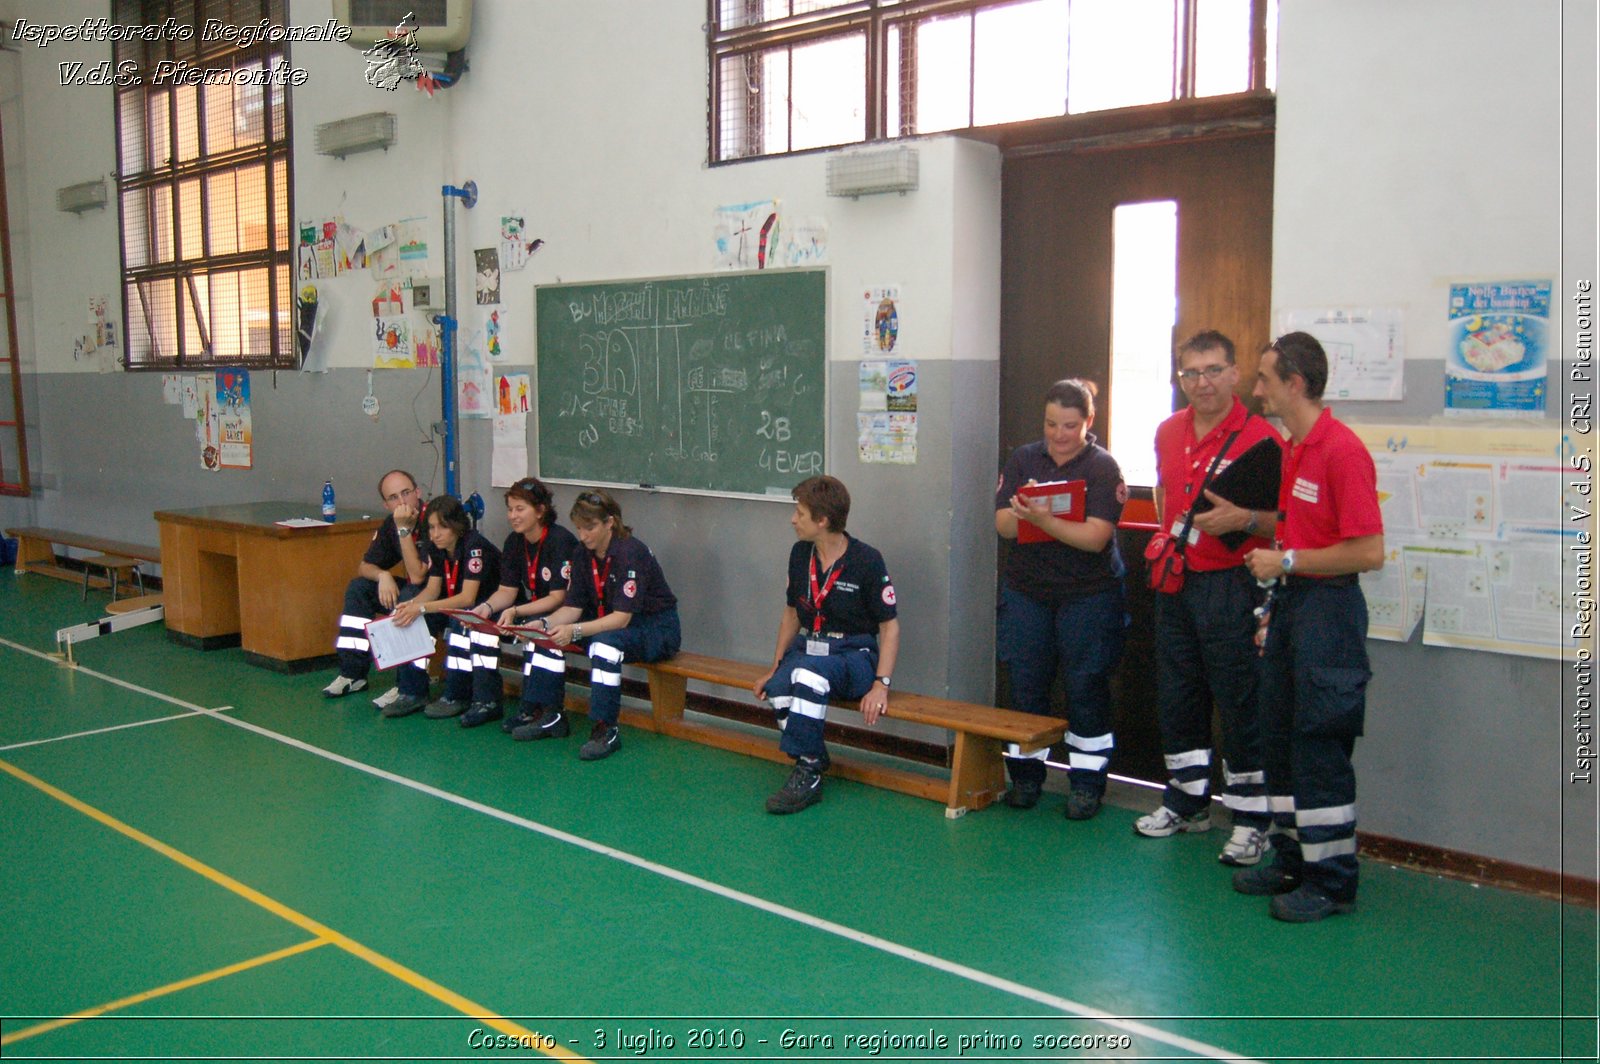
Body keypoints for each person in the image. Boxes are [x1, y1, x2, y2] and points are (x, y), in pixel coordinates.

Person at [1239, 331, 1384, 922]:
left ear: (1294, 384)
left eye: (1265, 380)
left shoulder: (1341, 450)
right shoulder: (1294, 447)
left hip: (1330, 614)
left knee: (1319, 747)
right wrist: (1274, 605)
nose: (1257, 390)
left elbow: (1369, 551)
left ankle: (1332, 882)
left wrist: (1289, 563)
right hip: (1294, 608)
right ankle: (1292, 856)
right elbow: (1295, 534)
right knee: (1278, 738)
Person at [1136, 331, 1281, 866]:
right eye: (1191, 373)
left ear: (1236, 373)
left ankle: (1250, 819)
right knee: (1178, 695)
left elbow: (1285, 521)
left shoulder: (1263, 438)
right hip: (1176, 583)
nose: (1202, 383)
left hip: (1233, 584)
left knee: (1240, 701)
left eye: (1214, 370)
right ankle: (1186, 802)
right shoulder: (1168, 431)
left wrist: (1243, 520)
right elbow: (1162, 493)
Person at [995, 378, 1128, 820]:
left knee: (1086, 686)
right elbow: (1002, 525)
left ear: (1088, 423)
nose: (1058, 434)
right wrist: (1023, 518)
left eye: (1069, 426)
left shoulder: (1102, 468)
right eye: (1051, 424)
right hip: (1027, 593)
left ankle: (1087, 785)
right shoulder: (1023, 458)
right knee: (1026, 683)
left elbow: (1095, 538)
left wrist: (1043, 520)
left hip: (1088, 597)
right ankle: (1026, 777)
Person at [753, 476, 901, 815]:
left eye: (800, 513)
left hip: (854, 657)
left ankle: (807, 773)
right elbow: (792, 613)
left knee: (807, 676)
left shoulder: (867, 560)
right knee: (777, 689)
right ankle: (814, 756)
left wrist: (882, 685)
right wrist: (775, 666)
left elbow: (889, 627)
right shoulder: (799, 554)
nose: (793, 520)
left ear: (822, 521)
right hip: (811, 649)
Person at [538, 490, 681, 761]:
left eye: (590, 528)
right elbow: (572, 607)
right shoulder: (582, 553)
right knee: (547, 635)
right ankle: (550, 713)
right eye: (579, 528)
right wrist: (544, 623)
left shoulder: (631, 552)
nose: (583, 535)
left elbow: (622, 618)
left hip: (655, 628)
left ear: (609, 522)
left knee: (603, 647)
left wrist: (576, 630)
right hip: (610, 624)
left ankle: (606, 728)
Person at [472, 477, 582, 741]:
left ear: (541, 510)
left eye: (520, 509)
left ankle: (540, 710)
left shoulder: (559, 540)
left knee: (537, 634)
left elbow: (558, 597)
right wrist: (485, 607)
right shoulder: (514, 542)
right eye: (510, 509)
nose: (512, 516)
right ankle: (486, 701)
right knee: (482, 628)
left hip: (563, 612)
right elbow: (507, 591)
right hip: (532, 609)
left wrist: (517, 612)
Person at [381, 495, 503, 721]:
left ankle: (457, 694)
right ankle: (412, 691)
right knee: (414, 619)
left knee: (459, 622)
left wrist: (423, 607)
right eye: (431, 527)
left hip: (489, 607)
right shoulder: (436, 546)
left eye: (442, 527)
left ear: (457, 526)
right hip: (458, 605)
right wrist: (412, 606)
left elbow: (467, 597)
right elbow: (433, 589)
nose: (435, 534)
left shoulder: (474, 546)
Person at [322, 469, 429, 704]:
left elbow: (418, 576)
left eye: (406, 493)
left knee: (408, 596)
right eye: (393, 498)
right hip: (413, 591)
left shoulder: (433, 519)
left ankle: (405, 687)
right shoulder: (392, 522)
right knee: (359, 588)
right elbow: (365, 566)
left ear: (418, 493)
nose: (402, 502)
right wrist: (383, 575)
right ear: (386, 504)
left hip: (439, 594)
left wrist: (404, 530)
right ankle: (353, 674)